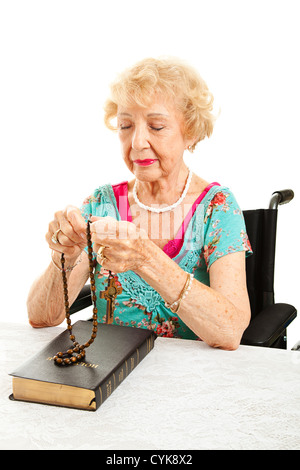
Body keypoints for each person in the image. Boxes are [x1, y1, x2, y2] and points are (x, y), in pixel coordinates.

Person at [27, 57, 252, 350]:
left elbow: (230, 330)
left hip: (193, 380)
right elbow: (41, 318)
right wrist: (65, 257)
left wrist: (147, 259)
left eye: (157, 127)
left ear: (191, 132)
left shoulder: (217, 207)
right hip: (110, 375)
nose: (137, 142)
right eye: (126, 126)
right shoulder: (101, 204)